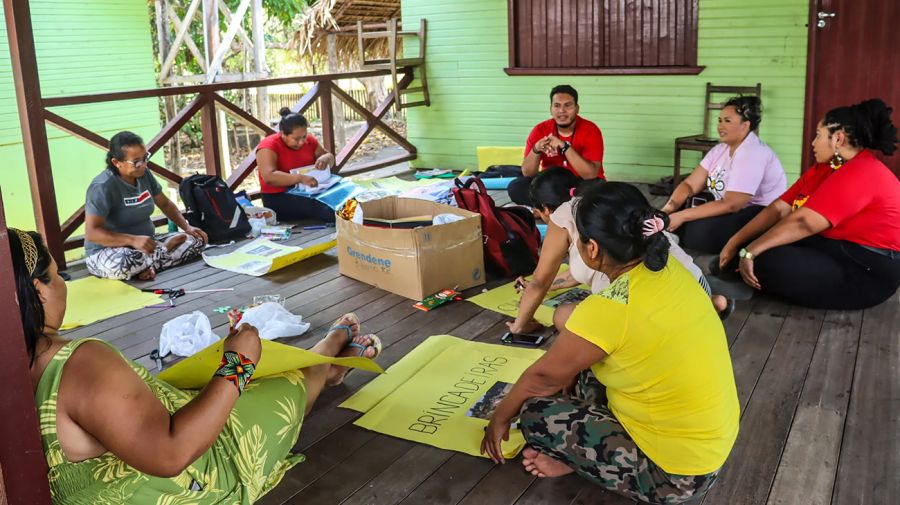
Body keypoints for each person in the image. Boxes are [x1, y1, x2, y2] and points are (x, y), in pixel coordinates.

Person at [10, 228, 382, 504]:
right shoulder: (79, 363)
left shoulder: (13, 368)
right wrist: (239, 364)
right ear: (38, 289)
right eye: (59, 275)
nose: (64, 285)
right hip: (191, 479)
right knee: (282, 385)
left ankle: (322, 361)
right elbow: (169, 454)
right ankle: (325, 361)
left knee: (215, 386)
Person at [481, 183, 739, 504]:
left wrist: (500, 419)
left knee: (534, 413)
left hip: (675, 476)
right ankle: (584, 452)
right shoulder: (668, 267)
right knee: (581, 367)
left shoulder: (608, 309)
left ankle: (578, 461)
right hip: (708, 447)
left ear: (592, 248)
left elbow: (541, 378)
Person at [713, 98, 900, 310]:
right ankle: (737, 268)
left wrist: (750, 251)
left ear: (838, 139)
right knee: (754, 219)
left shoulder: (862, 171)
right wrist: (735, 241)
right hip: (835, 246)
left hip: (867, 270)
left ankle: (744, 274)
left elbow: (803, 223)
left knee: (765, 259)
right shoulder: (827, 166)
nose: (813, 143)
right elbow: (779, 208)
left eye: (818, 135)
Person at [507, 168, 730, 335]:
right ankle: (708, 305)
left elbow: (540, 281)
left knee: (564, 316)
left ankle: (692, 317)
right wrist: (549, 285)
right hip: (693, 284)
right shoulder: (609, 201)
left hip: (652, 316)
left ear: (545, 209)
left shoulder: (564, 216)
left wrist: (520, 325)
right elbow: (573, 274)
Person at [662, 96, 787, 253]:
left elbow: (732, 204)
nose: (720, 126)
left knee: (698, 232)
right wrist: (667, 210)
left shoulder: (752, 153)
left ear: (745, 125)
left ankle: (673, 233)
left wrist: (682, 216)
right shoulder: (720, 150)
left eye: (727, 121)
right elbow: (690, 184)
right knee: (679, 204)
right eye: (720, 120)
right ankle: (670, 229)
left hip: (759, 214)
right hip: (728, 206)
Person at [85, 131, 208, 281]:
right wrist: (132, 241)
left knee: (198, 240)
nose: (143, 165)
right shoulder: (102, 186)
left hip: (148, 244)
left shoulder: (144, 174)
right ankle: (159, 255)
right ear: (117, 163)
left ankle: (146, 266)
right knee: (126, 262)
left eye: (145, 158)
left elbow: (165, 204)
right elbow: (92, 233)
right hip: (109, 252)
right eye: (136, 162)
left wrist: (187, 227)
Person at [507, 85, 604, 205]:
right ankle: (564, 208)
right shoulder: (540, 130)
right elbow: (528, 173)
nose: (562, 111)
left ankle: (547, 208)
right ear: (551, 109)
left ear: (577, 108)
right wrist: (536, 149)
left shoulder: (591, 130)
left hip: (580, 184)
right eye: (557, 105)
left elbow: (590, 174)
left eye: (568, 105)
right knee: (517, 186)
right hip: (551, 184)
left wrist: (565, 147)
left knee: (597, 191)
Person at [256, 108, 338, 223]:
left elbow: (329, 157)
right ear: (283, 133)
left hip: (309, 190)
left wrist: (326, 158)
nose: (301, 142)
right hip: (279, 197)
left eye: (304, 137)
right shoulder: (269, 145)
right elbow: (269, 177)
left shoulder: (309, 140)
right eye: (296, 139)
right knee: (324, 208)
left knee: (343, 197)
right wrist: (300, 178)